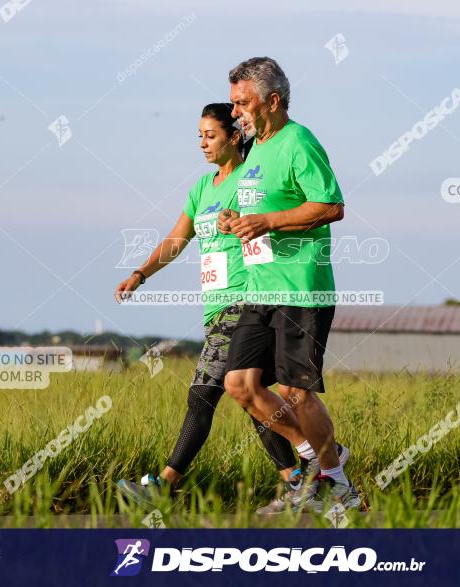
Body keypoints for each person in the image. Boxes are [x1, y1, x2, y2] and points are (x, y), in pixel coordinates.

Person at [113, 103, 343, 512]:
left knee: (204, 394)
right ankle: (303, 472)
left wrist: (248, 222)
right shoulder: (203, 187)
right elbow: (176, 239)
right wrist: (141, 273)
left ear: (235, 136)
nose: (202, 143)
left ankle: (165, 484)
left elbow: (282, 219)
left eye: (211, 134)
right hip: (214, 306)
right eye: (199, 136)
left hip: (246, 296)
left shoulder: (251, 179)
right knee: (247, 391)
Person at [218, 57, 361, 513]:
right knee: (240, 384)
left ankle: (337, 485)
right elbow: (260, 211)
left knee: (295, 393)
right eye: (233, 103)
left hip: (301, 288)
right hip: (259, 289)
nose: (235, 112)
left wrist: (267, 222)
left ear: (273, 101)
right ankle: (315, 463)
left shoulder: (299, 142)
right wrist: (236, 221)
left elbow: (331, 206)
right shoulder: (256, 149)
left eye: (243, 103)